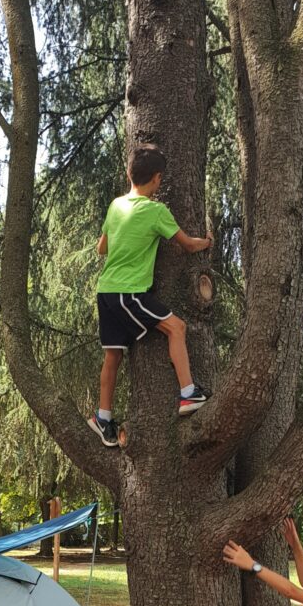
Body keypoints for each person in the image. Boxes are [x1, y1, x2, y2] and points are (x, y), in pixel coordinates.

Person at [88, 143, 214, 447]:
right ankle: (188, 394)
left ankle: (102, 417)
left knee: (113, 355)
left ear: (130, 174)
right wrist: (207, 242)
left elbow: (101, 247)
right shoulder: (156, 211)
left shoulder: (116, 206)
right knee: (176, 327)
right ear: (157, 179)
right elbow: (187, 244)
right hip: (128, 293)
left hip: (106, 291)